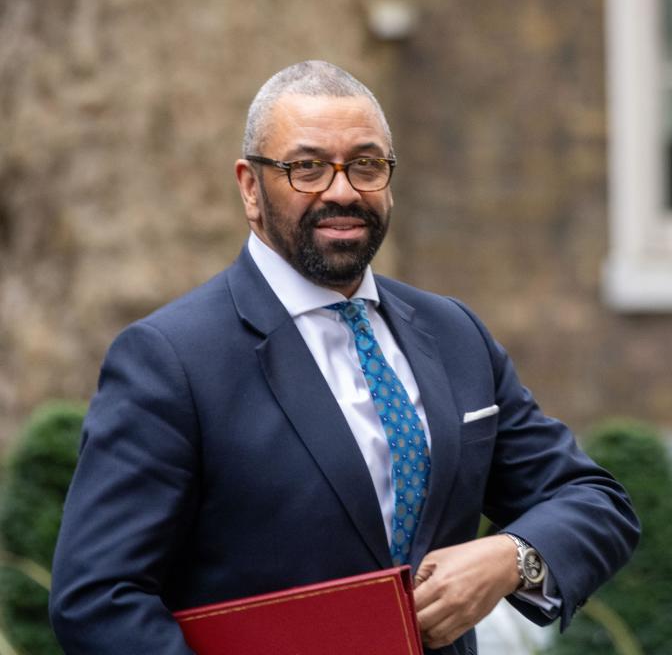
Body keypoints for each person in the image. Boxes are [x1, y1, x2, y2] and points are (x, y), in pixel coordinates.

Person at [49, 60, 640, 655]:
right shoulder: (170, 360)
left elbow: (593, 500)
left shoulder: (453, 333)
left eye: (366, 165)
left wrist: (512, 557)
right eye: (306, 167)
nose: (342, 191)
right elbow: (98, 597)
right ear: (250, 187)